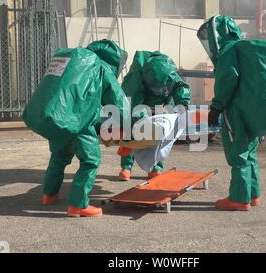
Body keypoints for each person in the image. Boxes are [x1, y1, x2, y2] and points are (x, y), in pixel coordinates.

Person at [197, 16, 266, 211]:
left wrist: (216, 107)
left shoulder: (229, 50)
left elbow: (228, 78)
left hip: (238, 112)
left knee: (238, 154)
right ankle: (253, 194)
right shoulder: (245, 49)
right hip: (254, 110)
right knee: (250, 153)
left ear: (217, 36)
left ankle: (239, 199)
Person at [22, 40, 129, 217]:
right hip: (78, 122)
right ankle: (78, 206)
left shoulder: (74, 61)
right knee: (90, 161)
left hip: (56, 117)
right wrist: (127, 125)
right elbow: (118, 100)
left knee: (59, 157)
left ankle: (49, 195)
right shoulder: (100, 67)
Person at [118, 51, 191, 181]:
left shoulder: (168, 72)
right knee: (132, 133)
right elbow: (135, 104)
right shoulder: (137, 77)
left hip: (162, 105)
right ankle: (126, 167)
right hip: (141, 104)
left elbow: (181, 87)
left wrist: (183, 103)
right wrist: (142, 119)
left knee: (159, 136)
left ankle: (156, 167)